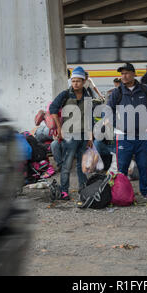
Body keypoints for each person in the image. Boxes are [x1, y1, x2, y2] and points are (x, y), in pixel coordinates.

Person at [107, 62, 147, 203]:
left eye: (127, 73)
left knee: (144, 165)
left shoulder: (145, 90)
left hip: (142, 135)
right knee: (122, 167)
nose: (124, 76)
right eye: (122, 73)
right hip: (123, 136)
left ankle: (146, 191)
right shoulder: (117, 92)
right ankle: (121, 193)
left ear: (134, 74)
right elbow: (108, 111)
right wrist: (118, 125)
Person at [49, 66, 93, 200]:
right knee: (67, 164)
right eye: (73, 81)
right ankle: (64, 191)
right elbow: (53, 109)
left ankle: (83, 189)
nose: (75, 84)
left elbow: (89, 116)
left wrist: (90, 137)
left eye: (78, 81)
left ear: (84, 81)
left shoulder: (88, 95)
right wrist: (59, 127)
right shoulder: (65, 94)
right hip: (69, 135)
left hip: (83, 135)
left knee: (82, 165)